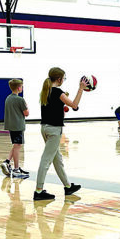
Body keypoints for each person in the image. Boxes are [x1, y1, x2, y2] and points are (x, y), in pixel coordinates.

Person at [33, 67, 87, 201]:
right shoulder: (57, 91)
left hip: (44, 128)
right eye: (64, 78)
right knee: (46, 160)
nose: (63, 80)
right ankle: (38, 191)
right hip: (53, 130)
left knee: (57, 159)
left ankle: (68, 187)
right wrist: (81, 88)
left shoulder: (46, 91)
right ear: (59, 79)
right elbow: (74, 105)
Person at [1, 79, 29, 178]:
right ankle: (16, 169)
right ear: (18, 88)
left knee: (16, 145)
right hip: (18, 126)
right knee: (18, 146)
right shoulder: (20, 100)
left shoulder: (8, 98)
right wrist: (27, 108)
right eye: (21, 86)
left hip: (11, 126)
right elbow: (26, 113)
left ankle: (7, 162)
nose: (22, 88)